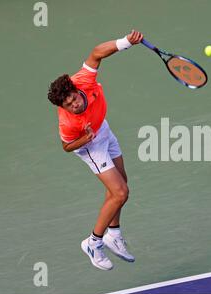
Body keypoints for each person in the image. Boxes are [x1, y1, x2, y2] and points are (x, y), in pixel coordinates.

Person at [47, 30, 144, 271]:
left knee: (121, 184)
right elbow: (66, 147)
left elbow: (96, 53)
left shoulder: (83, 80)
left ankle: (114, 234)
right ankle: (93, 242)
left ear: (74, 90)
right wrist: (85, 138)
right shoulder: (68, 123)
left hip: (104, 130)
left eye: (72, 99)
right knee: (120, 193)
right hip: (89, 144)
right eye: (67, 105)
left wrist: (125, 43)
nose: (74, 105)